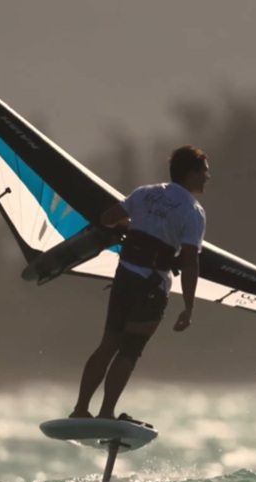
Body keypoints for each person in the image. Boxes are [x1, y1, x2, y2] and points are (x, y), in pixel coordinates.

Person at [69, 145, 209, 421]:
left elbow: (108, 218)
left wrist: (134, 227)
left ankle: (80, 409)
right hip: (151, 286)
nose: (208, 177)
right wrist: (189, 307)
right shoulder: (193, 211)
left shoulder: (145, 192)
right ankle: (106, 413)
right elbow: (190, 261)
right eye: (205, 171)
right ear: (191, 173)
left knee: (107, 344)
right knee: (130, 350)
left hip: (125, 277)